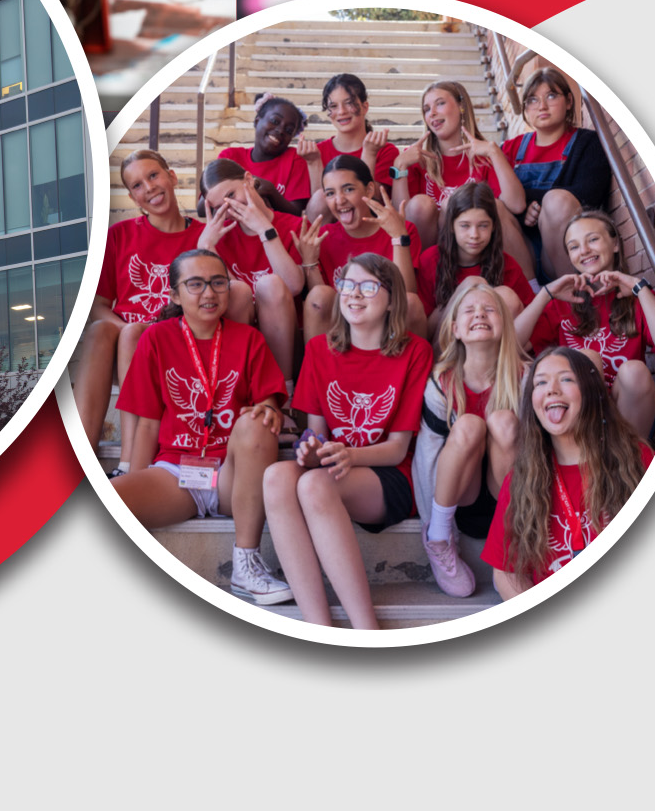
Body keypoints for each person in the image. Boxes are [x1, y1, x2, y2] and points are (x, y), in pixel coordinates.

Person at [109, 250, 293, 605]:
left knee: (256, 423)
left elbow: (269, 399)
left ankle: (246, 565)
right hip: (175, 474)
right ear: (175, 295)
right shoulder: (156, 339)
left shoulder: (248, 339)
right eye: (195, 284)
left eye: (218, 283)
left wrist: (268, 409)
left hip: (232, 476)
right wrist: (138, 476)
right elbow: (147, 424)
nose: (208, 293)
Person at [263, 254, 433, 629]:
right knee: (277, 476)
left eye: (369, 287)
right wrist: (310, 449)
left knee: (314, 483)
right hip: (335, 468)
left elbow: (397, 449)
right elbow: (318, 435)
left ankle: (365, 628)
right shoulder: (320, 350)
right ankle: (318, 627)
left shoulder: (414, 351)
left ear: (391, 299)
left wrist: (347, 455)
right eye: (349, 285)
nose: (355, 295)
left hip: (387, 476)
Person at [483, 346, 653, 599]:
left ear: (592, 392)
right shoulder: (521, 478)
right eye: (540, 382)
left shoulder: (637, 459)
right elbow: (506, 572)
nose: (551, 389)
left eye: (566, 379)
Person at [74, 149, 202, 467]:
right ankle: (76, 459)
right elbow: (99, 306)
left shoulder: (202, 235)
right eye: (137, 185)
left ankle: (130, 463)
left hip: (178, 343)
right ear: (133, 197)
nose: (149, 188)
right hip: (127, 344)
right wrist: (130, 331)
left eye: (153, 176)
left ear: (171, 177)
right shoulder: (118, 236)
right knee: (101, 329)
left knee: (132, 335)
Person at [515, 210, 655, 437]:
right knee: (585, 359)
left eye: (592, 239)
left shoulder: (638, 298)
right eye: (574, 246)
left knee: (635, 371)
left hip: (626, 415)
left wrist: (638, 287)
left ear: (615, 244)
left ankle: (630, 459)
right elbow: (511, 345)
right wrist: (546, 293)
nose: (584, 251)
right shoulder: (562, 303)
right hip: (575, 414)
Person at [411, 281, 527, 596]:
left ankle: (519, 538)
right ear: (455, 329)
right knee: (469, 426)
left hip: (509, 500)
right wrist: (431, 521)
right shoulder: (442, 381)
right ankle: (438, 539)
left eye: (489, 309)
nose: (480, 314)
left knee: (504, 422)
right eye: (470, 310)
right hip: (460, 498)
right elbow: (427, 458)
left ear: (505, 324)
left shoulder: (524, 378)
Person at [393, 80, 530, 273]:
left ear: (461, 107)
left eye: (440, 103)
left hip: (483, 254)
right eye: (426, 108)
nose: (431, 113)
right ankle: (418, 282)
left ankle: (530, 289)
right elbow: (400, 219)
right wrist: (400, 167)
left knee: (492, 205)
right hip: (435, 263)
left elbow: (517, 205)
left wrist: (494, 152)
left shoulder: (486, 155)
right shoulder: (416, 159)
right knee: (420, 205)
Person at [501, 66, 612, 281]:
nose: (542, 106)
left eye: (551, 96)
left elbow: (590, 193)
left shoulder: (587, 143)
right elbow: (495, 194)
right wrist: (522, 212)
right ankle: (531, 293)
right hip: (524, 251)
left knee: (557, 200)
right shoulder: (510, 149)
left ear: (569, 101)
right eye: (532, 100)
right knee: (494, 206)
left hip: (569, 248)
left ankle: (576, 295)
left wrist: (533, 201)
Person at [195, 158, 304, 377]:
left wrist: (265, 229)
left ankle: (282, 393)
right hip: (242, 334)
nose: (229, 208)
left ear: (248, 179)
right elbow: (236, 296)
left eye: (232, 196)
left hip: (286, 334)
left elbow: (293, 286)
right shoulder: (220, 237)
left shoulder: (294, 226)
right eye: (219, 207)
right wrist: (207, 247)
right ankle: (237, 386)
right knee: (235, 290)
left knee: (271, 284)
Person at [298, 155, 425, 339]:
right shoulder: (323, 237)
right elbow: (323, 305)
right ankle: (321, 366)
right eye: (330, 193)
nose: (339, 200)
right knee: (318, 295)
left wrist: (398, 237)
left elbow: (406, 297)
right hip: (344, 328)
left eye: (348, 189)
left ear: (369, 189)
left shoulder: (401, 229)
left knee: (411, 301)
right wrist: (309, 262)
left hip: (387, 327)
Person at [414, 182, 534, 330]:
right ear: (451, 226)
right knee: (472, 284)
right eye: (465, 225)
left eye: (483, 225)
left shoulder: (506, 264)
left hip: (493, 345)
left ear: (493, 226)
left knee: (505, 296)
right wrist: (462, 294)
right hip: (445, 344)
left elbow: (533, 317)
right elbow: (423, 327)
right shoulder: (431, 260)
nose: (474, 235)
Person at [295, 73, 399, 227]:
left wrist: (369, 154)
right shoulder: (317, 152)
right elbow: (317, 211)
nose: (341, 111)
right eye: (333, 106)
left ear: (365, 107)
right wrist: (314, 163)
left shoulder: (384, 150)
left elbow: (371, 201)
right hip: (330, 239)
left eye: (349, 103)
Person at [216, 95, 312, 214]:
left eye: (288, 130)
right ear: (257, 121)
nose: (280, 130)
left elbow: (296, 212)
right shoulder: (230, 157)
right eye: (274, 121)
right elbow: (202, 207)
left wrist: (271, 191)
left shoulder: (295, 159)